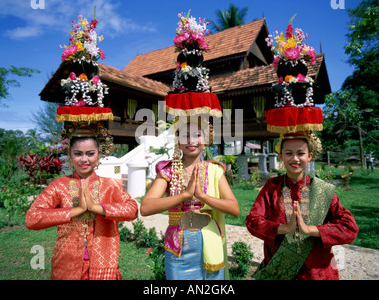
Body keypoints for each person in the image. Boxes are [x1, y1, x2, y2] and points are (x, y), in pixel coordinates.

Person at [25, 124, 138, 280]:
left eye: (90, 153)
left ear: (99, 154)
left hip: (103, 263)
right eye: (78, 154)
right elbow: (32, 218)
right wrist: (75, 211)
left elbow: (132, 210)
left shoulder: (111, 185)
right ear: (70, 154)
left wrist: (97, 208)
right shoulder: (59, 185)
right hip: (66, 264)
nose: (84, 159)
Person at [245, 132, 359, 280]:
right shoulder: (272, 187)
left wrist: (311, 230)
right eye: (288, 153)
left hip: (318, 273)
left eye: (300, 153)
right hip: (279, 270)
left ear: (310, 156)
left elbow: (349, 228)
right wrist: (284, 228)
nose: (295, 158)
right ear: (281, 156)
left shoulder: (322, 191)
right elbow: (252, 221)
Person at [140, 117, 239, 280]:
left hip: (210, 245)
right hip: (178, 249)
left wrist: (202, 196)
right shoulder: (168, 171)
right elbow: (145, 208)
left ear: (205, 140)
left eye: (197, 135)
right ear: (178, 140)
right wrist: (185, 195)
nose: (191, 140)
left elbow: (234, 209)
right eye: (185, 135)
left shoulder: (214, 170)